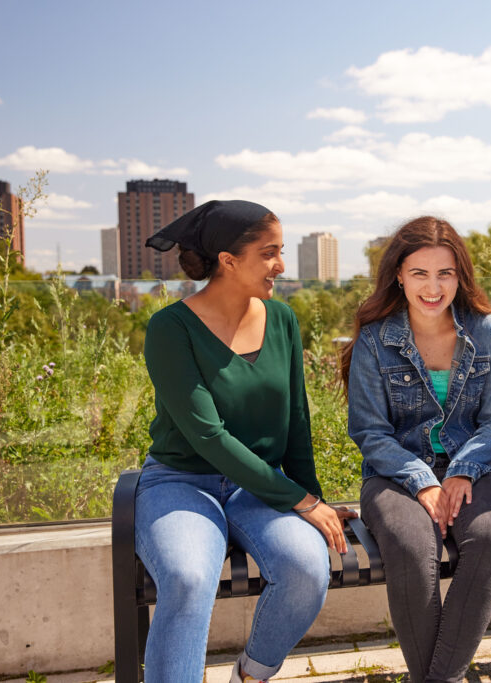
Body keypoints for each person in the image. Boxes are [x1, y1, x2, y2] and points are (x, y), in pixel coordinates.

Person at [136, 200, 355, 683]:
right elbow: (207, 436)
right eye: (269, 252)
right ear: (228, 260)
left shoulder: (282, 320)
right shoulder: (169, 330)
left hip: (259, 487)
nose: (281, 264)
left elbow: (296, 418)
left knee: (306, 568)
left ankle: (251, 675)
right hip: (181, 482)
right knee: (188, 578)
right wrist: (296, 498)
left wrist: (311, 498)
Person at [340, 216, 491, 683]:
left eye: (445, 273)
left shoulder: (487, 332)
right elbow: (370, 432)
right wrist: (422, 482)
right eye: (420, 273)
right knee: (412, 545)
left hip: (475, 469)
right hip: (393, 473)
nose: (433, 287)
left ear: (461, 276)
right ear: (399, 274)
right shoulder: (376, 338)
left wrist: (461, 471)